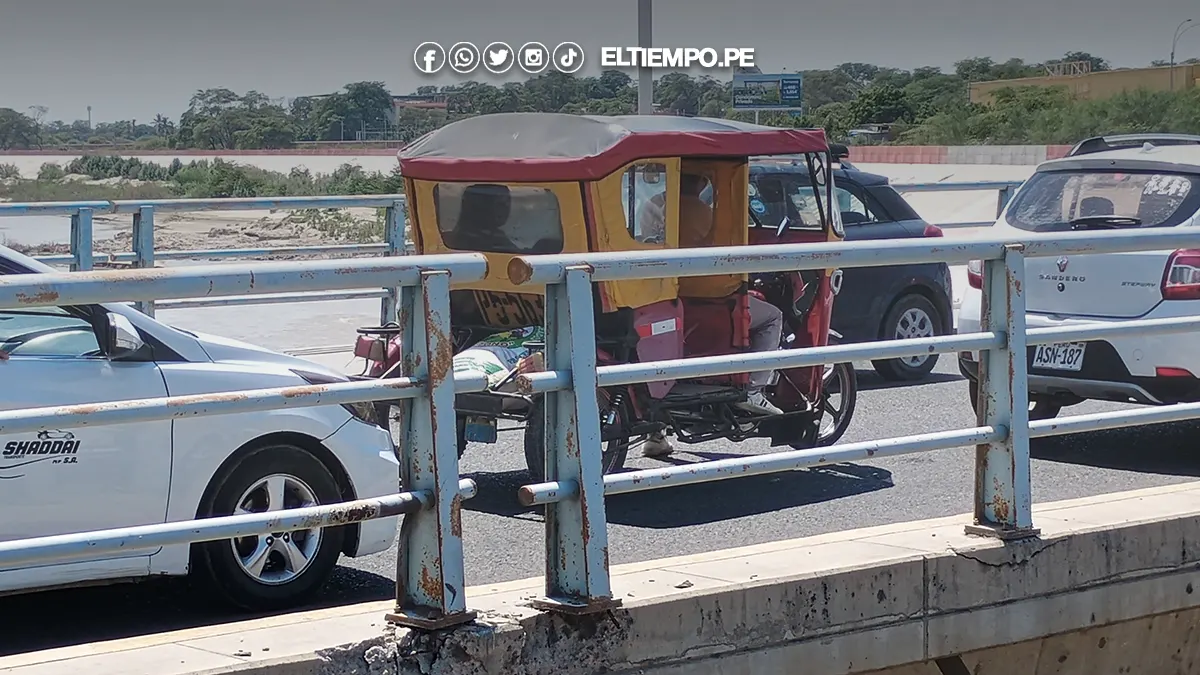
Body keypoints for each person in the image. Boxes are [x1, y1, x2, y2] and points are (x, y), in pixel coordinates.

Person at [642, 172, 785, 459]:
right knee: (772, 317)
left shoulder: (651, 206)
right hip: (711, 296)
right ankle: (754, 390)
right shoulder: (703, 212)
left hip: (663, 294)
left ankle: (655, 434)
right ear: (699, 182)